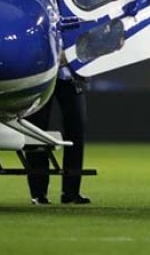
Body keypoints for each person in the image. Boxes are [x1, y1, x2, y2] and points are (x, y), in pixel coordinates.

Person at [26, 69, 91, 205]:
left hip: (70, 77)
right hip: (41, 77)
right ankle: (38, 193)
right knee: (36, 132)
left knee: (77, 130)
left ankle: (71, 193)